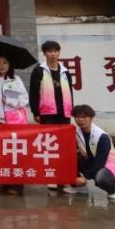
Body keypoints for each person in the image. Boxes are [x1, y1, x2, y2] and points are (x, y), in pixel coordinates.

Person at [30, 40, 74, 190]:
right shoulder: (39, 70)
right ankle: (51, 175)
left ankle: (63, 175)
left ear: (59, 53)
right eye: (49, 51)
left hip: (64, 113)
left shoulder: (65, 71)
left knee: (63, 144)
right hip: (47, 113)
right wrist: (36, 112)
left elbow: (70, 92)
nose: (53, 54)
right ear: (45, 53)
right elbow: (33, 92)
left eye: (55, 51)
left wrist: (71, 110)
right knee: (49, 144)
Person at [0, 55, 29, 195]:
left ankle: (17, 185)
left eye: (5, 63)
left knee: (14, 154)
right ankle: (4, 182)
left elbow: (24, 99)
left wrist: (9, 101)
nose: (1, 65)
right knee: (1, 154)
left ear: (9, 65)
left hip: (14, 122)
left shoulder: (15, 80)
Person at [65, 105, 115, 199]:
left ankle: (114, 189)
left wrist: (85, 177)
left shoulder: (102, 136)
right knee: (66, 159)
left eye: (84, 117)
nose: (81, 120)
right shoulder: (76, 132)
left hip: (108, 164)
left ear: (92, 118)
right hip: (90, 160)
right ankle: (79, 187)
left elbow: (100, 162)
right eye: (77, 117)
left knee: (100, 179)